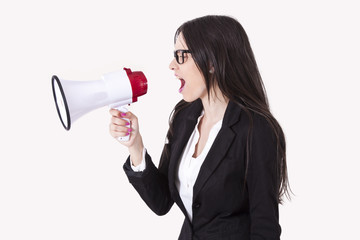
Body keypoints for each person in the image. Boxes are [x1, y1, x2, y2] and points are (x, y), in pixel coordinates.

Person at [109, 15, 290, 240]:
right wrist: (135, 146)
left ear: (212, 62)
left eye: (181, 56)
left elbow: (265, 227)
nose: (171, 65)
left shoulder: (256, 129)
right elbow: (162, 202)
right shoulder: (184, 116)